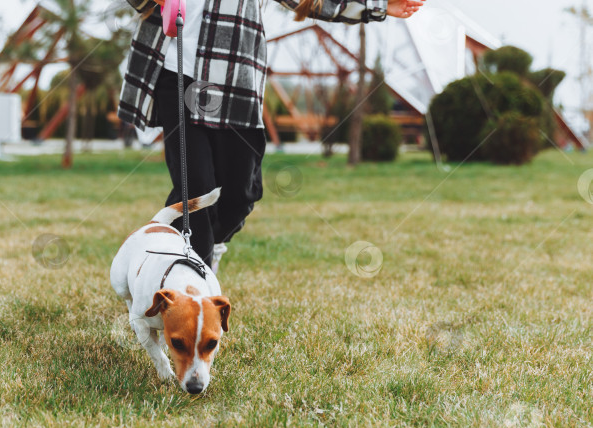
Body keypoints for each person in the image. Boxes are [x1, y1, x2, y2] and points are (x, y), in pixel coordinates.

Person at [119, 0, 426, 271]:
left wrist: (379, 5)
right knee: (195, 190)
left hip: (234, 79)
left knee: (240, 194)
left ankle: (205, 247)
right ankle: (192, 284)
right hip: (175, 74)